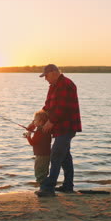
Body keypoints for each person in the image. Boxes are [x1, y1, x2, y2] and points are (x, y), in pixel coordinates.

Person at [32, 64, 82, 197]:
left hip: (67, 126)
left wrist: (51, 122)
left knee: (56, 154)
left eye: (46, 76)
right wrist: (33, 123)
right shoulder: (53, 86)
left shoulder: (66, 84)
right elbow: (47, 107)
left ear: (54, 72)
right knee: (65, 157)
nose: (45, 79)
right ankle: (68, 186)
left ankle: (48, 188)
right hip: (60, 128)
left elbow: (62, 108)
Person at [24, 110, 52, 184]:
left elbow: (33, 143)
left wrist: (28, 136)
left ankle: (42, 187)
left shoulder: (39, 132)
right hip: (47, 154)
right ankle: (46, 186)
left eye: (35, 120)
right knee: (44, 172)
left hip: (40, 155)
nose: (34, 122)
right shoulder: (46, 130)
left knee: (39, 171)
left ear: (41, 122)